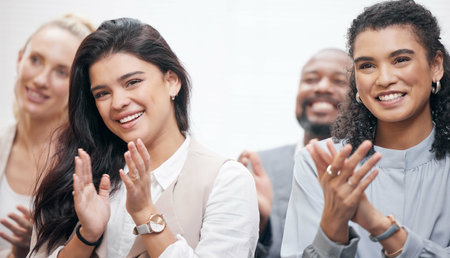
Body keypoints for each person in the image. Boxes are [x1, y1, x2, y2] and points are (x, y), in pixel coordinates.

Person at [29, 17, 259, 257]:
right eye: (102, 93)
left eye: (132, 82)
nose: (118, 103)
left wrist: (145, 214)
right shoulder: (79, 176)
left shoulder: (227, 181)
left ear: (171, 81)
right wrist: (87, 235)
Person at [281, 0, 450, 257]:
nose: (384, 79)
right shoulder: (321, 164)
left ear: (436, 65)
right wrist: (333, 224)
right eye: (367, 65)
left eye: (401, 59)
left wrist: (378, 225)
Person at [238, 48, 352, 258]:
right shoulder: (256, 169)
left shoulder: (376, 169)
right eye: (310, 79)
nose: (322, 87)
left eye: (339, 81)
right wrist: (259, 227)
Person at [0, 14, 94, 258]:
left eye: (61, 72)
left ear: (78, 86)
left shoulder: (86, 166)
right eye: (35, 60)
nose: (41, 80)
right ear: (20, 59)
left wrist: (36, 245)